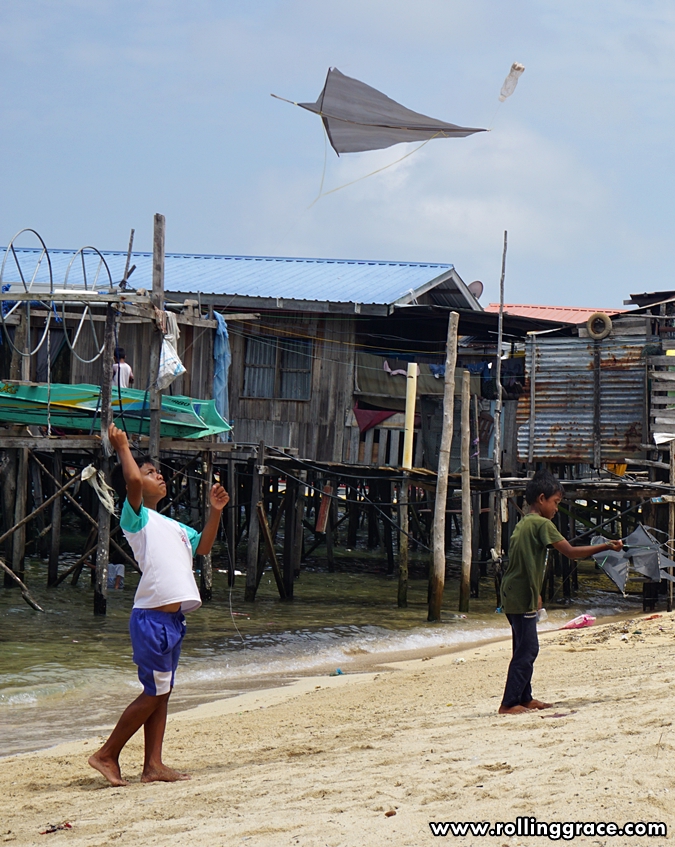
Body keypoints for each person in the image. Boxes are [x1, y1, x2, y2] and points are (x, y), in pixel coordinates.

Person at [88, 423, 229, 786]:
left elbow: (204, 547)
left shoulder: (176, 526)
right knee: (154, 691)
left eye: (158, 472)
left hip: (173, 621)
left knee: (163, 692)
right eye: (151, 473)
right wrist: (122, 449)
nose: (158, 475)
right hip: (151, 618)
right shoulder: (137, 518)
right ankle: (106, 754)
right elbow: (132, 483)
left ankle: (153, 765)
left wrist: (215, 511)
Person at [498, 469, 622, 715]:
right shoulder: (542, 524)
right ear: (541, 499)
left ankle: (525, 697)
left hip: (514, 593)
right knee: (529, 649)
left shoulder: (525, 522)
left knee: (522, 647)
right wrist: (607, 545)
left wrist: (537, 594)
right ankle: (509, 703)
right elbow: (571, 552)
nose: (556, 509)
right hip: (521, 596)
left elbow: (524, 564)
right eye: (555, 503)